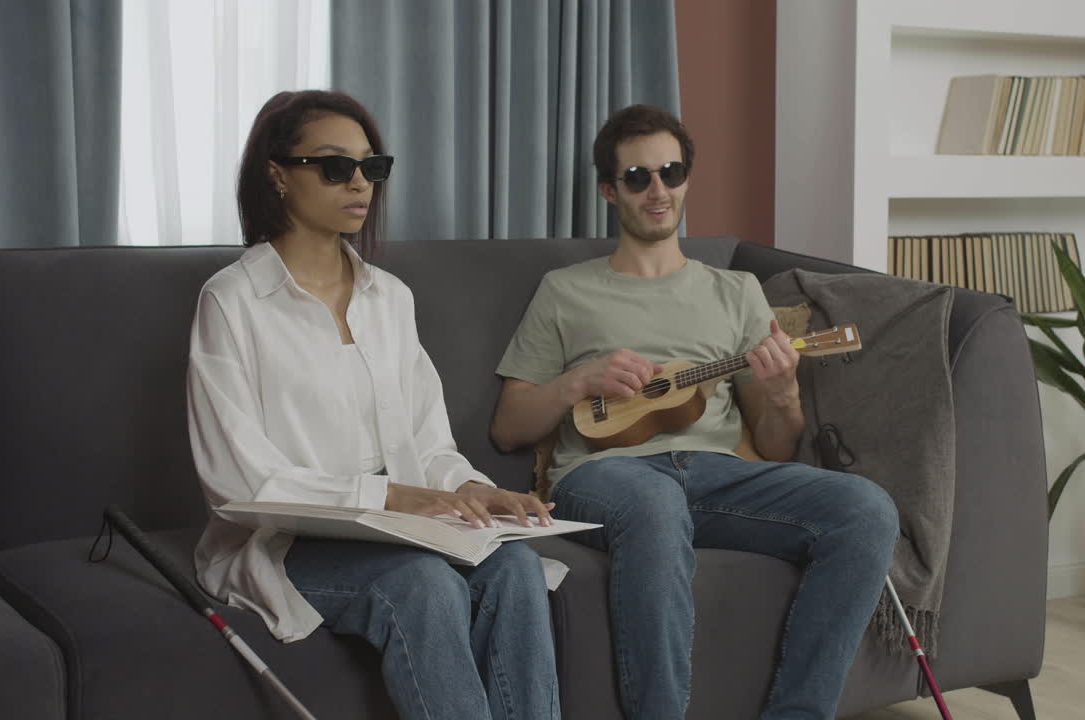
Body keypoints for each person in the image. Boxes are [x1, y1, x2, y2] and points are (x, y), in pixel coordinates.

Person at [490, 104, 899, 720]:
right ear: (610, 190)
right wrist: (577, 380)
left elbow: (778, 443)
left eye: (671, 173)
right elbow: (507, 426)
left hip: (714, 475)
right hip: (606, 479)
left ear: (686, 179)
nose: (658, 190)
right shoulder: (565, 289)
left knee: (867, 508)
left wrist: (784, 392)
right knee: (654, 505)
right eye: (637, 177)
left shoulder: (735, 291)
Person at [187, 89, 560, 720]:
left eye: (372, 167)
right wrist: (389, 497)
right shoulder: (231, 302)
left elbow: (429, 444)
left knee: (518, 568)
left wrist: (475, 489)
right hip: (291, 538)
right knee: (425, 585)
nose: (360, 183)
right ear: (278, 174)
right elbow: (240, 482)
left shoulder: (391, 299)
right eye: (336, 166)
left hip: (406, 525)